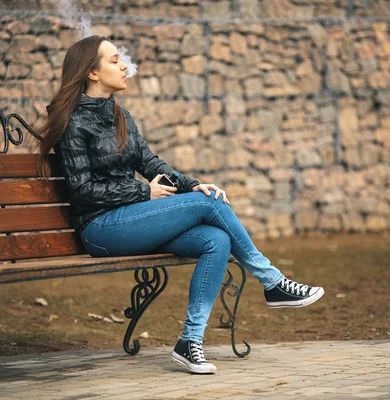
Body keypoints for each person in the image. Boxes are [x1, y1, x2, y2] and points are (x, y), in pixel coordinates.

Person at [37, 35, 325, 375]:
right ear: (93, 73)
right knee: (207, 204)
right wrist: (143, 194)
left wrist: (191, 183)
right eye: (114, 60)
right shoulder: (73, 122)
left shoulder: (120, 116)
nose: (124, 65)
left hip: (134, 221)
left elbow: (151, 164)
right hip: (100, 229)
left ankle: (190, 342)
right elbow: (83, 190)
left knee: (215, 240)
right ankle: (271, 280)